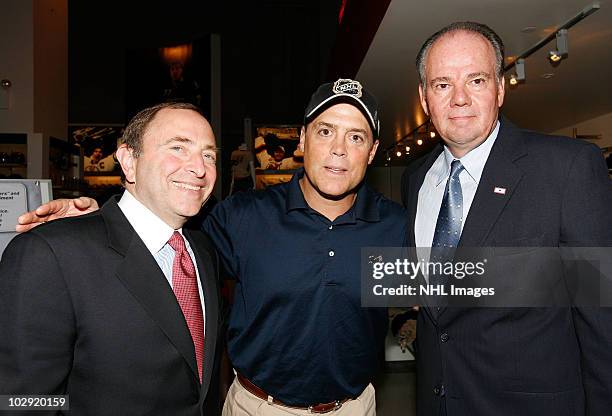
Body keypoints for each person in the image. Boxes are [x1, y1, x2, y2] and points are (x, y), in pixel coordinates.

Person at [16, 78, 407, 416]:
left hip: (354, 406)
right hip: (256, 407)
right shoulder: (244, 217)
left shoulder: (396, 225)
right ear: (302, 140)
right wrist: (96, 219)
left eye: (356, 137)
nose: (339, 148)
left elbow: (448, 297)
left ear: (371, 152)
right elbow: (162, 225)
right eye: (325, 131)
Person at [401, 22, 612, 416]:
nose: (459, 98)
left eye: (476, 80)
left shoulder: (566, 169)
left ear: (500, 87)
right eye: (442, 84)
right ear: (425, 98)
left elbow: (602, 320)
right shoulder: (415, 179)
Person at [1, 102, 223, 415]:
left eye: (209, 154)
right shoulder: (51, 253)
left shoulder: (202, 249)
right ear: (128, 161)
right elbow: (20, 402)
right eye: (178, 147)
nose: (199, 168)